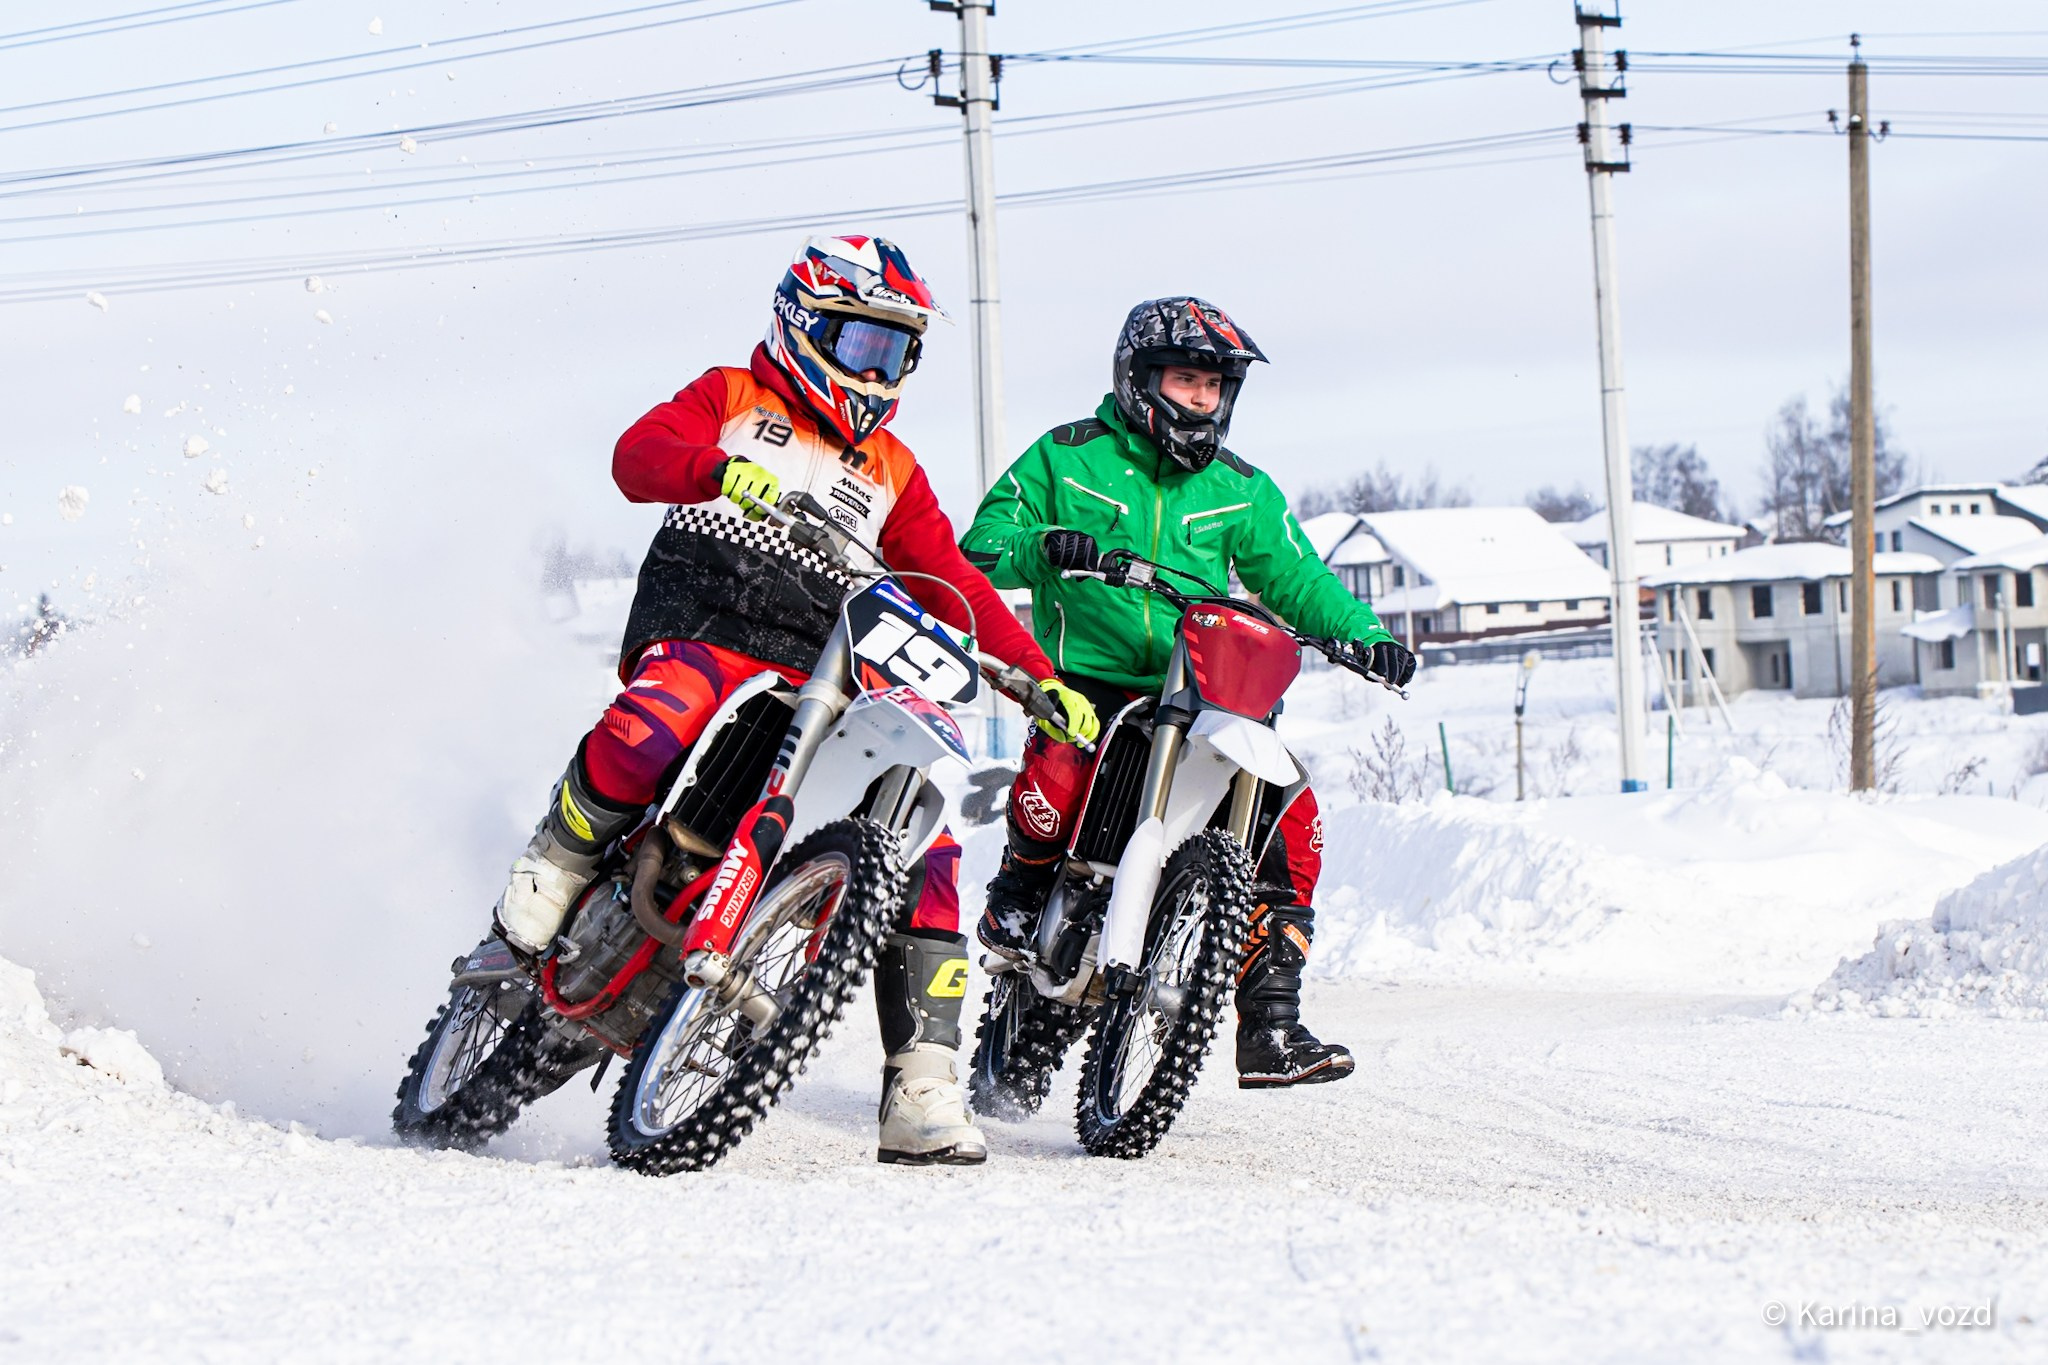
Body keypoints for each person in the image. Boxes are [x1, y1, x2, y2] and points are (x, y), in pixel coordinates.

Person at [491, 235, 1101, 1164]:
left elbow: (953, 584)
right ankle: (558, 862)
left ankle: (922, 1081)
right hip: (711, 624)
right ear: (805, 322)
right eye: (863, 345)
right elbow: (636, 454)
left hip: (823, 665)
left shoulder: (892, 466)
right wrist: (710, 468)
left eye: (896, 354)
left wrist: (1037, 677)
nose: (878, 371)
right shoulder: (732, 396)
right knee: (667, 711)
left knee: (923, 839)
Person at [961, 296, 1417, 1089]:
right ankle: (1021, 887)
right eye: (1186, 379)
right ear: (1139, 378)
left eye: (1214, 386)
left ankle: (1270, 1026)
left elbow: (1298, 577)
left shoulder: (1242, 489)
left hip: (1206, 690)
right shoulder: (1067, 457)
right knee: (1066, 756)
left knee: (1293, 818)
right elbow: (981, 547)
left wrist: (1366, 634)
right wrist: (1045, 546)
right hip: (1094, 681)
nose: (1201, 399)